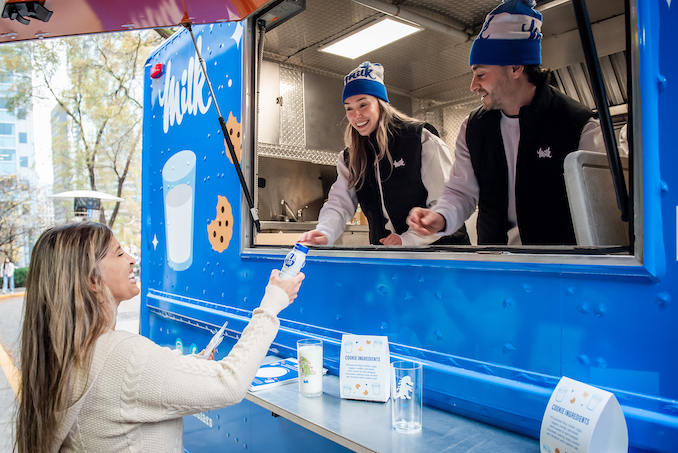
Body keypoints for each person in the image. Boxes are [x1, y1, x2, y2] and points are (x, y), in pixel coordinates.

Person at [15, 222, 304, 452]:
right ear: (92, 280)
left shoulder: (63, 354)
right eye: (119, 253)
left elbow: (125, 390)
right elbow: (229, 384)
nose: (131, 259)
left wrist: (185, 365)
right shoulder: (121, 354)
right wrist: (272, 304)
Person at [407, 0, 604, 246]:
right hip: (496, 267)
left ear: (515, 68)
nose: (473, 86)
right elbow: (462, 192)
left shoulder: (579, 126)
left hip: (558, 270)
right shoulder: (474, 128)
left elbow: (599, 215)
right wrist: (440, 216)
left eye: (481, 74)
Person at [298, 61, 469, 247]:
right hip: (389, 255)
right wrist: (325, 232)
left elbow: (444, 202)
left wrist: (408, 239)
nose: (356, 115)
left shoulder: (421, 140)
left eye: (363, 105)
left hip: (441, 253)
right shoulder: (350, 158)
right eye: (349, 108)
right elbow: (339, 204)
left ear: (381, 103)